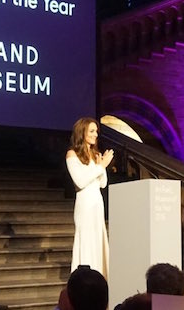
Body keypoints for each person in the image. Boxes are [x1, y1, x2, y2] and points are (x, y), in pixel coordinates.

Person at [66, 117, 113, 278]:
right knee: (86, 240)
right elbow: (80, 181)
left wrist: (102, 166)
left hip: (97, 203)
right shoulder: (72, 154)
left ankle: (99, 277)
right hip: (84, 204)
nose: (95, 135)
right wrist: (101, 166)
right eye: (92, 131)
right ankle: (84, 279)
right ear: (82, 132)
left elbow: (103, 183)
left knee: (97, 240)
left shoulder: (95, 154)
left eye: (96, 132)